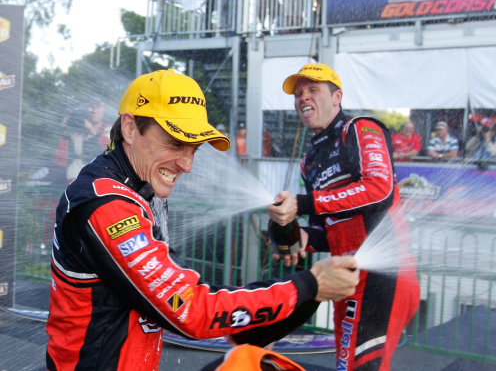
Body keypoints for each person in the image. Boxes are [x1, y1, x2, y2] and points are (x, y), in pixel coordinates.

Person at [45, 69, 359, 370]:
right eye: (175, 143)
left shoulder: (138, 189)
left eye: (193, 149)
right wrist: (307, 286)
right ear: (129, 128)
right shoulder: (106, 203)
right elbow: (190, 309)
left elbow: (182, 291)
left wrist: (295, 302)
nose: (186, 164)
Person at [267, 63, 420, 371]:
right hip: (345, 280)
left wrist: (303, 203)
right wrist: (294, 238)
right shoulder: (310, 162)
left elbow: (380, 189)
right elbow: (325, 230)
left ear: (337, 97)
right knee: (346, 367)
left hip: (384, 275)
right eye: (298, 93)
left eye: (313, 90)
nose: (303, 98)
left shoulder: (361, 128)